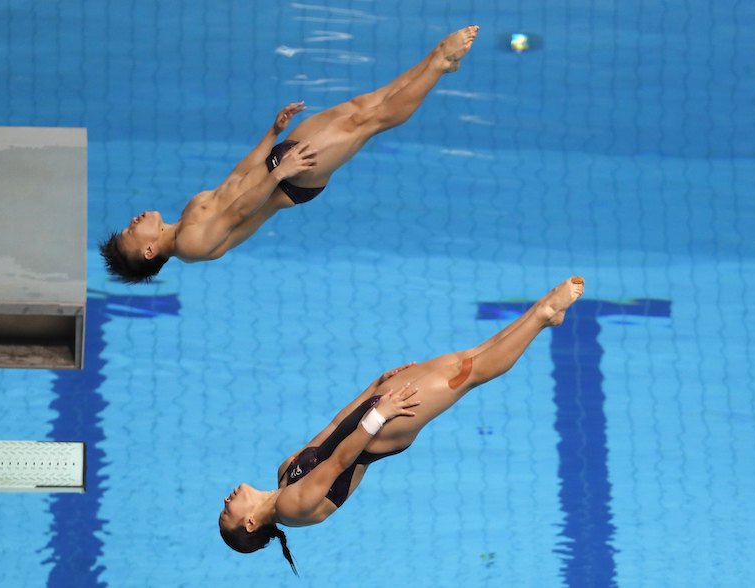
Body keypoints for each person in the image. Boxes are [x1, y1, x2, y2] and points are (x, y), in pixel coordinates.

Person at [218, 276, 586, 574]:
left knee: (466, 358)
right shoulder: (293, 509)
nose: (226, 500)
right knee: (469, 374)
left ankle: (543, 312)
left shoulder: (284, 474)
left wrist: (374, 387)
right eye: (226, 512)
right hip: (380, 433)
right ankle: (544, 315)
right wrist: (381, 413)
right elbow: (340, 462)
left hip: (370, 415)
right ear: (249, 524)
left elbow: (332, 429)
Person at [99, 26, 480, 283]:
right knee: (370, 121)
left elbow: (236, 178)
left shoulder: (186, 219)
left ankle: (439, 67)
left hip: (278, 163)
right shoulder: (190, 246)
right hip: (291, 179)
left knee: (360, 105)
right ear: (149, 251)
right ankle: (439, 62)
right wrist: (282, 172)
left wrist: (272, 133)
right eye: (132, 233)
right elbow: (239, 211)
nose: (133, 222)